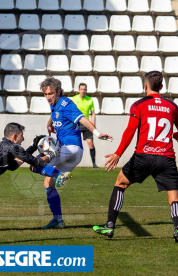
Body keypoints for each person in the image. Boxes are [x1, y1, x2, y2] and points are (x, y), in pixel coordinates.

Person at [92, 71, 178, 244]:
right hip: (166, 158)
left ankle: (109, 225)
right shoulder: (172, 106)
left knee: (120, 183)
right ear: (162, 86)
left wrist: (118, 153)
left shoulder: (138, 104)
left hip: (143, 156)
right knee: (175, 198)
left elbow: (130, 131)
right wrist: (177, 135)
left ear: (146, 86)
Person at [32, 77, 112, 229]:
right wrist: (49, 124)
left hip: (70, 148)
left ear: (58, 92)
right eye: (45, 94)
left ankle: (58, 175)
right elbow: (54, 114)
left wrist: (97, 133)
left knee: (34, 164)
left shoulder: (66, 103)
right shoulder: (55, 104)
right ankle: (58, 220)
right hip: (71, 151)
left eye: (51, 93)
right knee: (47, 182)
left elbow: (82, 119)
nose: (48, 97)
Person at [71, 83, 99, 168]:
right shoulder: (73, 99)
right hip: (76, 124)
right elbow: (71, 112)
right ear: (79, 90)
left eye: (84, 89)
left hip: (87, 124)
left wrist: (93, 124)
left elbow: (93, 113)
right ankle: (71, 163)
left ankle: (94, 164)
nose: (83, 91)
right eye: (81, 89)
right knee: (74, 144)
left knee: (90, 143)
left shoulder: (89, 100)